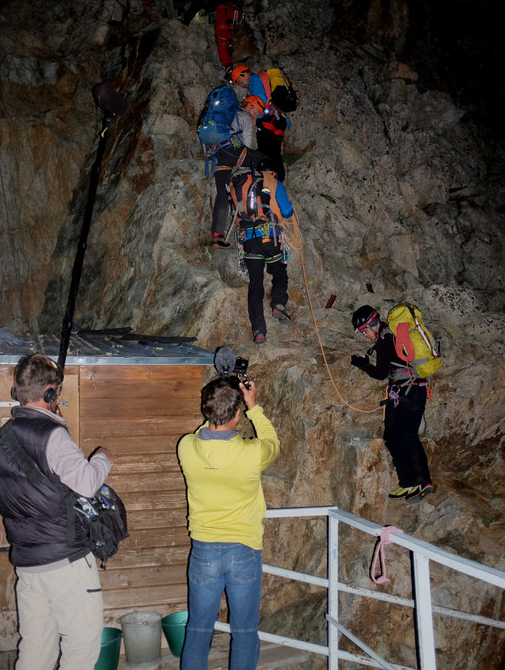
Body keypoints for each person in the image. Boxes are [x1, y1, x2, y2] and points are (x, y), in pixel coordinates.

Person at [0, 354, 114, 669]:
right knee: (81, 650)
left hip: (28, 566)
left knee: (35, 653)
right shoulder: (53, 436)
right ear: (49, 394)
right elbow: (86, 483)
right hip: (66, 563)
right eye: (57, 392)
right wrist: (102, 458)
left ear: (19, 393)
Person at [178, 377, 280, 670]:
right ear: (238, 414)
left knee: (198, 630)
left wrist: (216, 409)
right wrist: (254, 407)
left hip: (204, 552)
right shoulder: (253, 454)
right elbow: (272, 442)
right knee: (245, 632)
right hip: (244, 550)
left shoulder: (187, 447)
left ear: (206, 411)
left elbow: (201, 432)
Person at [350, 306, 434, 503]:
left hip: (405, 393)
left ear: (373, 324)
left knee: (394, 435)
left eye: (364, 330)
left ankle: (411, 482)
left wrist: (361, 364)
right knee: (407, 435)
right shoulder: (395, 334)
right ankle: (420, 482)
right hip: (417, 390)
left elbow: (380, 374)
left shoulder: (385, 339)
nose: (365, 335)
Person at [231, 168, 293, 343]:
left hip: (249, 240)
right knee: (279, 272)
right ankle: (278, 304)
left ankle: (258, 329)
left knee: (255, 284)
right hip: (269, 237)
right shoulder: (272, 182)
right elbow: (287, 211)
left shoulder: (239, 184)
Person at [210, 95, 264, 249]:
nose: (255, 116)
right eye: (256, 112)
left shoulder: (227, 115)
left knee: (222, 194)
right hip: (231, 151)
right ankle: (256, 210)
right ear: (250, 106)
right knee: (263, 160)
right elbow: (247, 144)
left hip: (217, 156)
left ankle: (217, 236)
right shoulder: (244, 116)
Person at [182, 0, 244, 71]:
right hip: (235, 13)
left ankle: (229, 64)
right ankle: (230, 58)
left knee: (222, 43)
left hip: (223, 13)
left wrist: (186, 21)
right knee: (226, 40)